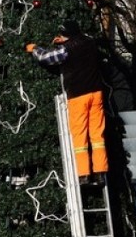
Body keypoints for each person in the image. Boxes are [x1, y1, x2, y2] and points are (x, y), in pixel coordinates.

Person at [27, 21, 108, 181]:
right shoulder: (90, 42)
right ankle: (100, 171)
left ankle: (84, 174)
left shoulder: (66, 49)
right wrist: (65, 41)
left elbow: (46, 58)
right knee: (97, 135)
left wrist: (34, 49)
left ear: (66, 36)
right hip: (96, 93)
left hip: (78, 95)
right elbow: (81, 42)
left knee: (80, 136)